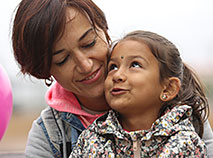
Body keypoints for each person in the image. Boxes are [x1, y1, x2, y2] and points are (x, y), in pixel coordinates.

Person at [11, 0, 213, 157]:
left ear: (104, 30)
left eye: (89, 43)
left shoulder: (182, 109)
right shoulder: (50, 134)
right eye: (63, 60)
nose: (85, 65)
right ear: (46, 71)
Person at [70, 30, 208, 157]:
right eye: (113, 66)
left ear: (168, 88)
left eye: (135, 65)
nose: (117, 75)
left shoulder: (185, 144)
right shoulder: (91, 141)